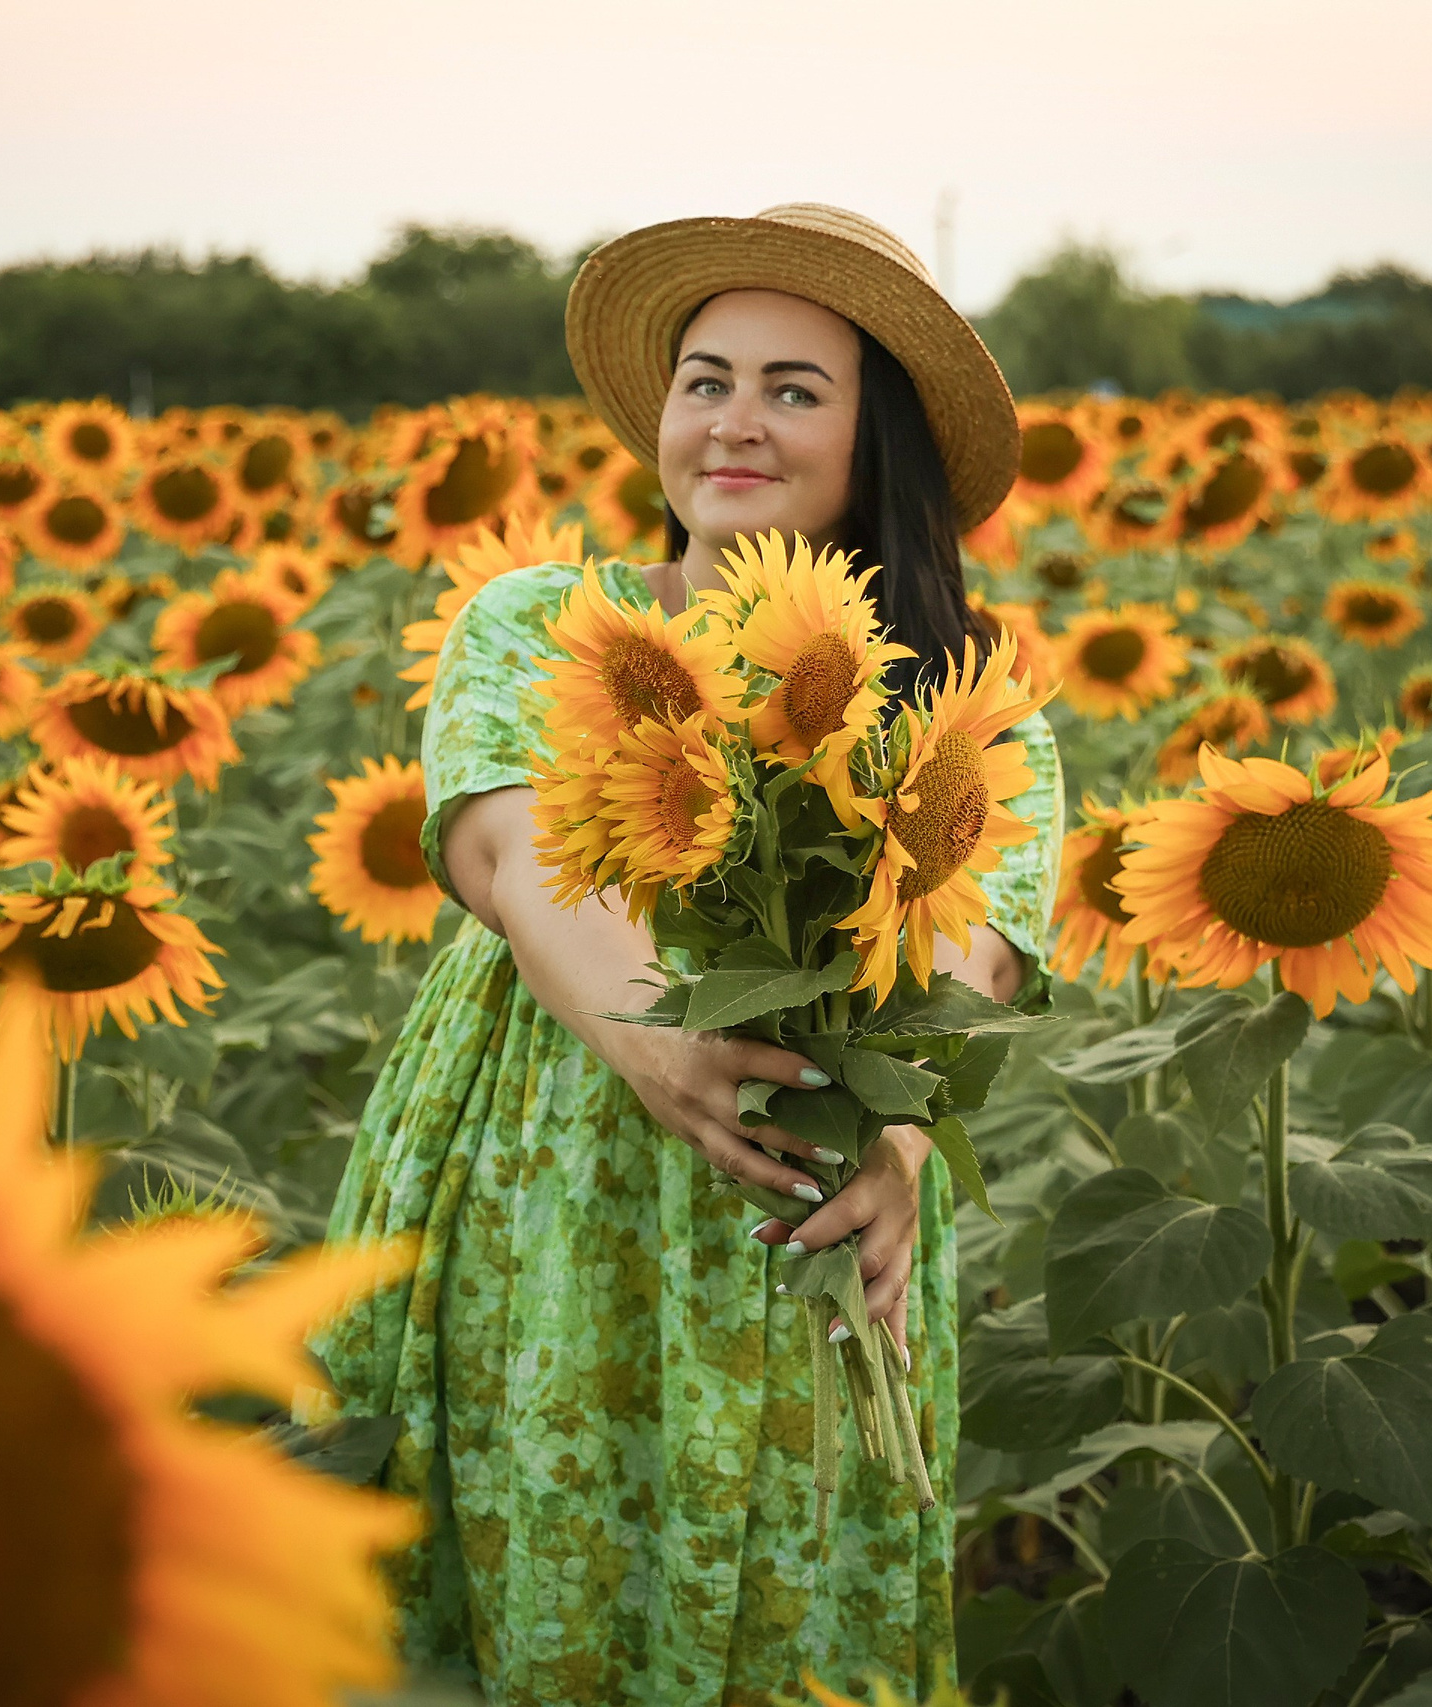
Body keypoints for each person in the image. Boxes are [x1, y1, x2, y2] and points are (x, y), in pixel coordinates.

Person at [317, 204, 1062, 1706]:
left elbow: (976, 960)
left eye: (796, 389)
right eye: (707, 378)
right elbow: (512, 859)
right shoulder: (540, 624)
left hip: (805, 1219)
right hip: (549, 1187)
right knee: (523, 1566)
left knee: (783, 1615)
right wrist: (653, 1036)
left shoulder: (974, 714)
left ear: (878, 439)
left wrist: (902, 1140)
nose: (735, 422)